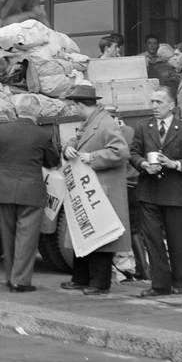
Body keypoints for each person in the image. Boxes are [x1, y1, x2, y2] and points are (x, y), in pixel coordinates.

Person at [0, 94, 60, 293]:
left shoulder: (2, 130)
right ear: (37, 112)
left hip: (5, 190)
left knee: (8, 236)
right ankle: (20, 281)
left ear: (17, 111)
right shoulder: (42, 134)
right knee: (27, 238)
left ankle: (10, 278)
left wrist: (3, 155)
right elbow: (52, 161)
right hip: (31, 192)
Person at [60, 82, 132, 294]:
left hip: (102, 189)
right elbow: (78, 139)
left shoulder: (106, 123)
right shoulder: (93, 120)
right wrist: (68, 148)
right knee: (85, 235)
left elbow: (121, 152)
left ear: (81, 105)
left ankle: (100, 284)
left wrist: (93, 157)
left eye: (74, 106)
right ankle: (81, 278)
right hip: (91, 189)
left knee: (101, 238)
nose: (73, 110)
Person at [130, 86, 182, 296]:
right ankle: (159, 284)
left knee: (178, 239)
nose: (154, 106)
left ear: (172, 105)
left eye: (159, 102)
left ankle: (178, 281)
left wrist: (174, 163)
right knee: (153, 239)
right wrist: (143, 165)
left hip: (176, 193)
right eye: (152, 102)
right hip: (149, 191)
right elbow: (133, 152)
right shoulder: (143, 127)